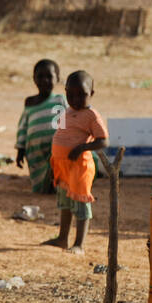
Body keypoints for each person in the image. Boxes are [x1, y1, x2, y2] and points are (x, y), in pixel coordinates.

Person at [43, 70, 107, 255]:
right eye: (70, 94)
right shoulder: (67, 110)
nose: (76, 99)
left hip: (80, 167)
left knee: (80, 204)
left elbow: (103, 140)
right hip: (62, 167)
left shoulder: (92, 115)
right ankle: (62, 238)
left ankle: (79, 244)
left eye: (82, 94)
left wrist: (80, 149)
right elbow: (61, 135)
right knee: (65, 203)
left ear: (92, 93)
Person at [15, 58, 64, 195]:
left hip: (55, 148)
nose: (44, 80)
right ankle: (44, 188)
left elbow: (65, 124)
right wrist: (20, 149)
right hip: (35, 151)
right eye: (40, 76)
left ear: (58, 78)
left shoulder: (59, 100)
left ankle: (55, 187)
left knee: (56, 169)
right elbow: (23, 126)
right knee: (39, 177)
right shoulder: (30, 102)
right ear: (34, 79)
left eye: (49, 76)